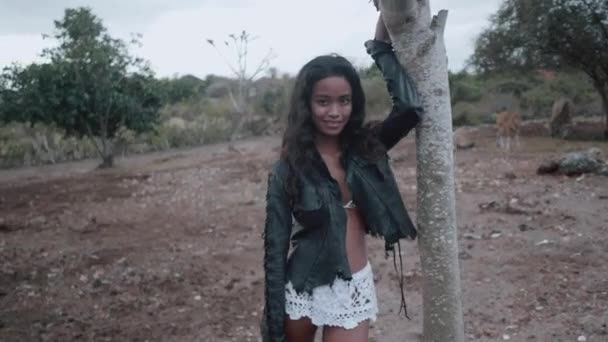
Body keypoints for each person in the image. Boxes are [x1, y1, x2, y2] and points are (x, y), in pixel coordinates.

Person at [261, 14, 422, 342]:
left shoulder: (366, 148)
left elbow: (408, 108)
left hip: (353, 287)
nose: (334, 112)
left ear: (354, 102)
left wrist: (380, 47)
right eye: (323, 101)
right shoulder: (287, 170)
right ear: (307, 105)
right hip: (301, 289)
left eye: (343, 101)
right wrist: (273, 325)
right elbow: (275, 249)